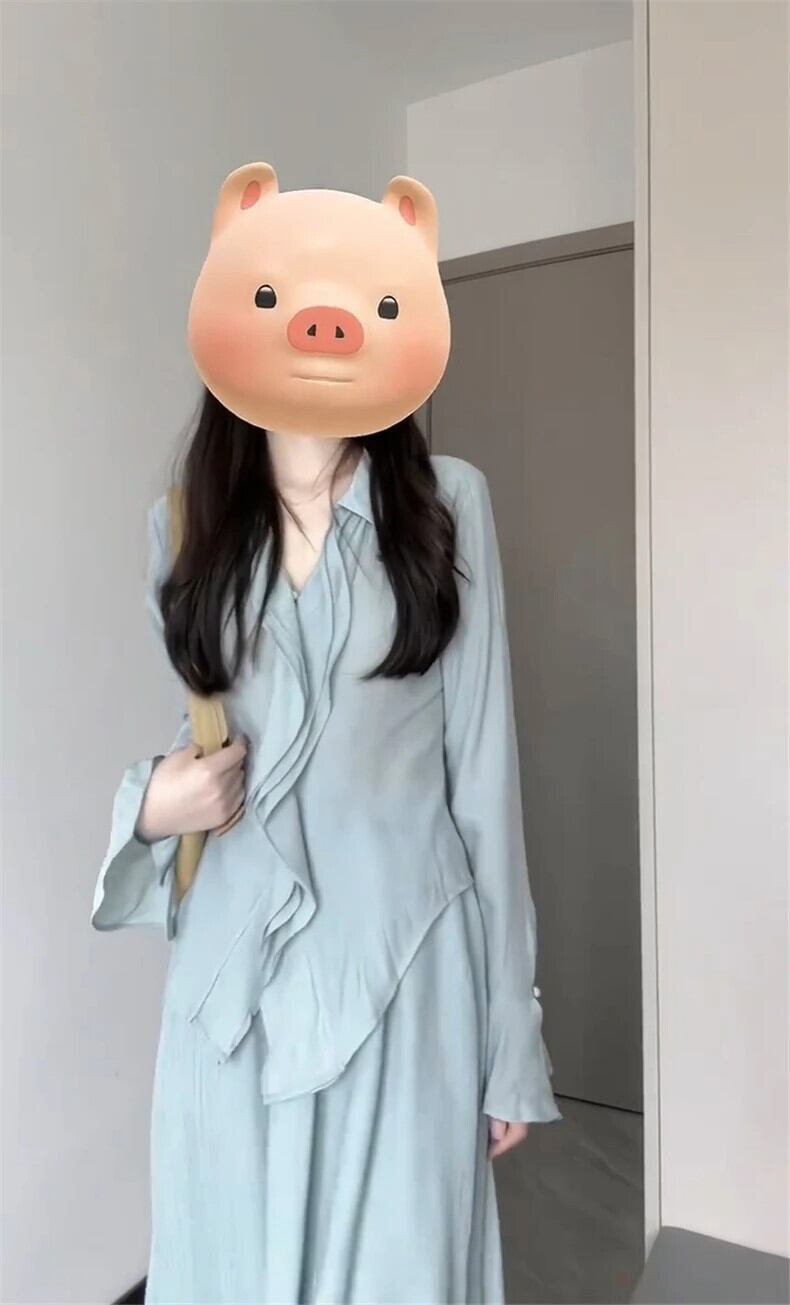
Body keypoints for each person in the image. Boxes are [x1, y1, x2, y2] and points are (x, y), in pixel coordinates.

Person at [91, 164, 561, 1304]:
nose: (320, 323)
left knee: (401, 1269)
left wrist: (511, 1032)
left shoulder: (448, 509)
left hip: (403, 972)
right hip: (234, 987)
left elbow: (483, 784)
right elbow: (200, 742)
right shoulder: (182, 529)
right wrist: (148, 805)